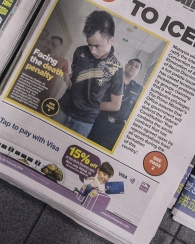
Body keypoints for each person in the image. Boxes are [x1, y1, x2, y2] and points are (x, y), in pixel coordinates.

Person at [53, 10, 124, 138]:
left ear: (111, 40)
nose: (92, 51)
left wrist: (91, 105)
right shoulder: (80, 51)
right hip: (62, 108)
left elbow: (115, 105)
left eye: (97, 46)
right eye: (89, 45)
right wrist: (66, 74)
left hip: (84, 121)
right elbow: (74, 80)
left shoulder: (117, 69)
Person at [87, 58, 143, 149]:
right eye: (131, 64)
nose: (133, 67)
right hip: (100, 120)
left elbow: (134, 111)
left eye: (136, 67)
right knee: (88, 145)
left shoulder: (139, 89)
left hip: (117, 128)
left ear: (138, 73)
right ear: (126, 65)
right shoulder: (111, 79)